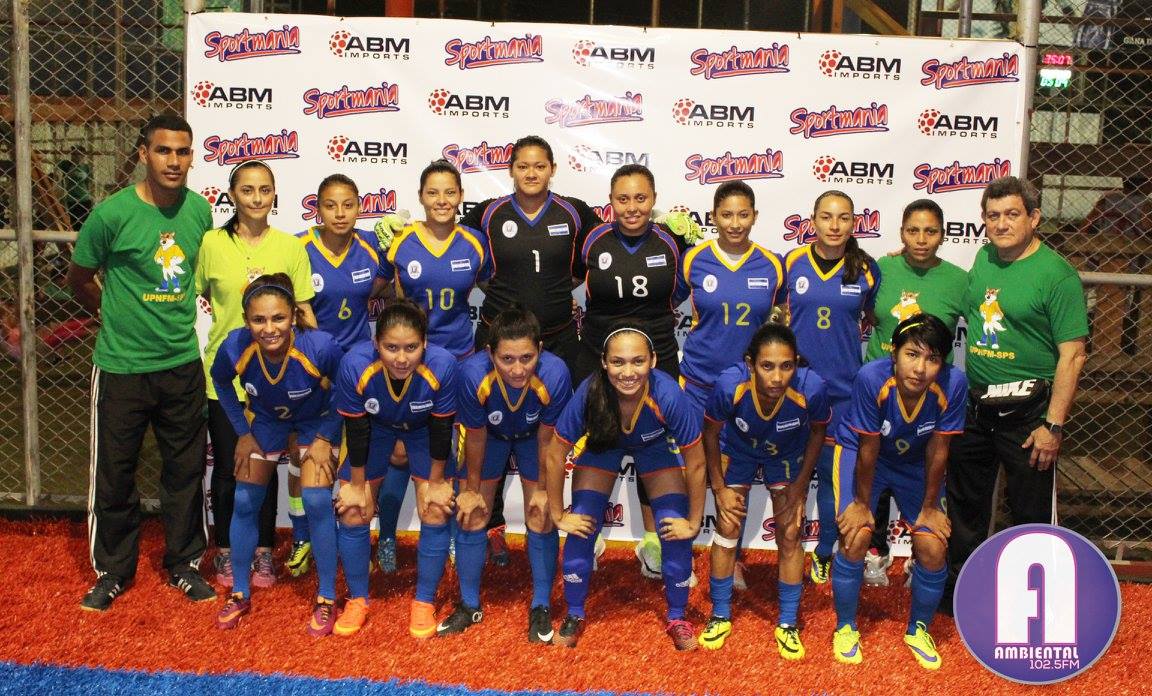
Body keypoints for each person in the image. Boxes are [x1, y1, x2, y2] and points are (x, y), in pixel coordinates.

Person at [68, 113, 215, 610]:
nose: (173, 161)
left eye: (182, 151)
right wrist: (111, 316)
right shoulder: (111, 215)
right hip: (121, 367)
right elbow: (80, 278)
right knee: (115, 473)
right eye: (163, 150)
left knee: (185, 472)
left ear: (191, 157)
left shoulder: (200, 212)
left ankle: (185, 564)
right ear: (143, 154)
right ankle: (112, 571)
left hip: (181, 364)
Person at [944, 176, 1089, 608]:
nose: (1002, 224)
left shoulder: (1057, 275)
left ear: (1034, 217)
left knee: (1030, 515)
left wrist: (1053, 425)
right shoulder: (984, 257)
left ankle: (1034, 606)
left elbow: (1073, 355)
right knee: (966, 508)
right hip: (976, 406)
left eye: (1012, 214)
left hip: (1030, 417)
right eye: (993, 216)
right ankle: (962, 596)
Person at [458, 135, 601, 566]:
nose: (531, 173)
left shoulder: (575, 212)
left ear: (553, 169)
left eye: (540, 166)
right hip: (500, 343)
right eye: (523, 166)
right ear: (511, 170)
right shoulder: (488, 213)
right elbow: (462, 256)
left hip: (558, 340)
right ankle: (491, 527)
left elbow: (603, 254)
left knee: (565, 435)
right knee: (489, 435)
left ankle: (571, 522)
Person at [543, 323, 706, 651]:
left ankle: (677, 616)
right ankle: (574, 613)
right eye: (618, 362)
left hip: (654, 448)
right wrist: (559, 514)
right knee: (582, 523)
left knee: (674, 528)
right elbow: (555, 453)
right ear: (604, 362)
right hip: (604, 447)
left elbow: (697, 462)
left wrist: (693, 521)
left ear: (653, 361)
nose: (628, 372)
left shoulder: (668, 394)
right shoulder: (590, 391)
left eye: (637, 361)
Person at [195, 160, 315, 590]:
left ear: (275, 194)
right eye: (247, 190)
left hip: (274, 381)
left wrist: (319, 368)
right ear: (232, 195)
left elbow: (304, 311)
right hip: (226, 380)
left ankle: (263, 550)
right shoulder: (211, 243)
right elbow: (196, 293)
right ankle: (227, 551)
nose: (257, 198)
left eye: (265, 189)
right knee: (231, 468)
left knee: (265, 466)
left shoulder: (290, 247)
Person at [829, 314, 966, 669]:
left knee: (933, 546)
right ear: (894, 353)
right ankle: (845, 627)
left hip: (915, 462)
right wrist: (862, 504)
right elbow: (868, 447)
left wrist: (930, 507)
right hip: (862, 453)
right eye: (912, 354)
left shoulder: (954, 383)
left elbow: (939, 448)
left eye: (932, 359)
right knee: (856, 536)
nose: (920, 368)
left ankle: (918, 629)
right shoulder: (871, 378)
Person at [209, 274, 343, 635]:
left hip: (315, 421)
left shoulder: (319, 346)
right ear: (246, 320)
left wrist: (325, 437)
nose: (269, 329)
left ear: (294, 316)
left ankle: (327, 597)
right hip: (266, 421)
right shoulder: (235, 346)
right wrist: (242, 432)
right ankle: (239, 591)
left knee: (316, 501)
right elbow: (220, 380)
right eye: (259, 320)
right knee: (244, 499)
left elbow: (345, 388)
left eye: (278, 318)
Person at [374, 160, 490, 575]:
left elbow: (494, 289)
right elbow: (374, 287)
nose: (442, 200)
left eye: (449, 192)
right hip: (406, 363)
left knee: (452, 454)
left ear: (460, 197)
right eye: (433, 192)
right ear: (421, 197)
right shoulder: (400, 242)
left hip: (456, 362)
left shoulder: (475, 244)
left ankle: (454, 534)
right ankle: (387, 536)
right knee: (399, 454)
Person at [577, 164, 692, 578]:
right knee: (597, 445)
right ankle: (588, 538)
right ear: (610, 201)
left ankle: (654, 544)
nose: (632, 207)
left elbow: (682, 290)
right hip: (599, 357)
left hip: (657, 356)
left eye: (640, 198)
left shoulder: (672, 242)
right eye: (622, 199)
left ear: (654, 200)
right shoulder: (592, 240)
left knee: (655, 448)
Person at [698, 323, 829, 656]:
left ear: (796, 363)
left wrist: (799, 487)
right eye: (767, 366)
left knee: (791, 531)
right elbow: (710, 433)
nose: (777, 377)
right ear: (750, 363)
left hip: (786, 453)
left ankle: (787, 622)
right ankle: (720, 614)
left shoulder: (811, 387)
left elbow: (818, 433)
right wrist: (719, 489)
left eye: (786, 366)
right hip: (737, 450)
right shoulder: (730, 385)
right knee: (727, 526)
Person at [331, 298, 458, 638]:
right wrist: (358, 486)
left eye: (411, 348)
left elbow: (442, 427)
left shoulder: (443, 366)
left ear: (425, 343)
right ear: (376, 344)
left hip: (424, 431)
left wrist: (435, 482)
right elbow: (356, 428)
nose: (401, 358)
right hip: (375, 430)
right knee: (353, 509)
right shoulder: (354, 365)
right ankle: (357, 599)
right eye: (391, 348)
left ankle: (424, 601)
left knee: (435, 507)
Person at [284, 174, 386, 578]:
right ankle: (302, 536)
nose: (340, 213)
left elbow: (385, 286)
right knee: (302, 454)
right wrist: (318, 359)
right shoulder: (298, 248)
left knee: (356, 457)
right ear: (317, 209)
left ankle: (357, 537)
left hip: (357, 369)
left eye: (348, 205)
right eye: (330, 205)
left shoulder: (372, 246)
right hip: (312, 368)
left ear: (359, 207)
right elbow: (291, 305)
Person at [450, 305, 572, 640]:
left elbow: (548, 438)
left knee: (541, 514)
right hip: (489, 438)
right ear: (490, 353)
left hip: (535, 439)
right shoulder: (472, 374)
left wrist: (545, 489)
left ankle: (541, 606)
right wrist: (471, 490)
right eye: (507, 359)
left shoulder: (556, 374)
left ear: (540, 350)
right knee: (472, 513)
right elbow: (475, 436)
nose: (518, 369)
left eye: (527, 358)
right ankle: (469, 604)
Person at [861, 199, 967, 585]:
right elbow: (866, 313)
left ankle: (916, 556)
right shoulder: (881, 270)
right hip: (882, 394)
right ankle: (875, 553)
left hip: (929, 398)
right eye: (913, 231)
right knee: (873, 467)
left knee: (925, 469)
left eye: (930, 231)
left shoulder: (960, 280)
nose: (921, 239)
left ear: (943, 234)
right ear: (901, 232)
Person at [783, 190, 880, 585]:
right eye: (826, 217)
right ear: (813, 220)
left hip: (842, 393)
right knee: (790, 476)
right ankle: (788, 549)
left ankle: (824, 551)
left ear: (854, 222)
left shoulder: (868, 270)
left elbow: (876, 317)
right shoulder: (791, 263)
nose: (834, 226)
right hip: (794, 388)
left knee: (830, 477)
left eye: (843, 218)